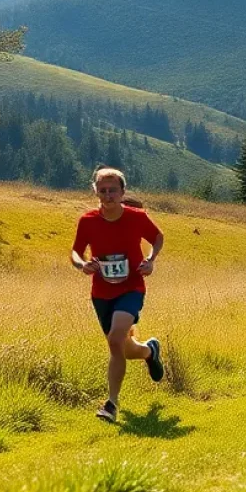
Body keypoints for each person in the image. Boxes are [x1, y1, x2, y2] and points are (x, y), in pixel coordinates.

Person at [71, 166, 165, 422]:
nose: (108, 195)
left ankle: (111, 404)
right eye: (103, 191)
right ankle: (149, 352)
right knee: (122, 346)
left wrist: (150, 260)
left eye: (113, 190)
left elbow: (158, 237)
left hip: (131, 287)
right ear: (96, 192)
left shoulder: (136, 217)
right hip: (101, 292)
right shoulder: (87, 221)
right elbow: (76, 252)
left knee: (115, 338)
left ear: (123, 192)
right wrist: (83, 265)